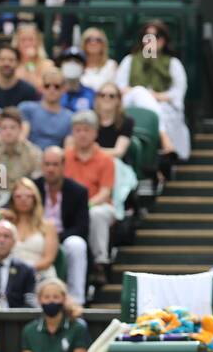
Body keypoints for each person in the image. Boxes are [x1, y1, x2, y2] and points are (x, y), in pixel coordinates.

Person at [116, 20, 191, 162]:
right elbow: (120, 88)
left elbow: (177, 93)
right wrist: (143, 93)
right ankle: (165, 140)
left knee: (161, 111)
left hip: (163, 105)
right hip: (133, 104)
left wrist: (154, 96)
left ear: (162, 40)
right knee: (139, 92)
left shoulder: (173, 63)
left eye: (154, 37)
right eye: (146, 37)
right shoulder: (130, 60)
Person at [64, 111, 119, 269]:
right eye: (78, 130)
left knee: (96, 214)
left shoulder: (105, 159)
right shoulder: (64, 157)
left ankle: (99, 262)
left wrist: (85, 205)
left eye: (86, 130)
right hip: (70, 207)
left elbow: (105, 193)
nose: (82, 134)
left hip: (98, 205)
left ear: (95, 132)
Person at [0, 45, 39, 109]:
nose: (6, 63)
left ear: (18, 63)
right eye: (2, 59)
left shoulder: (29, 91)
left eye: (11, 60)